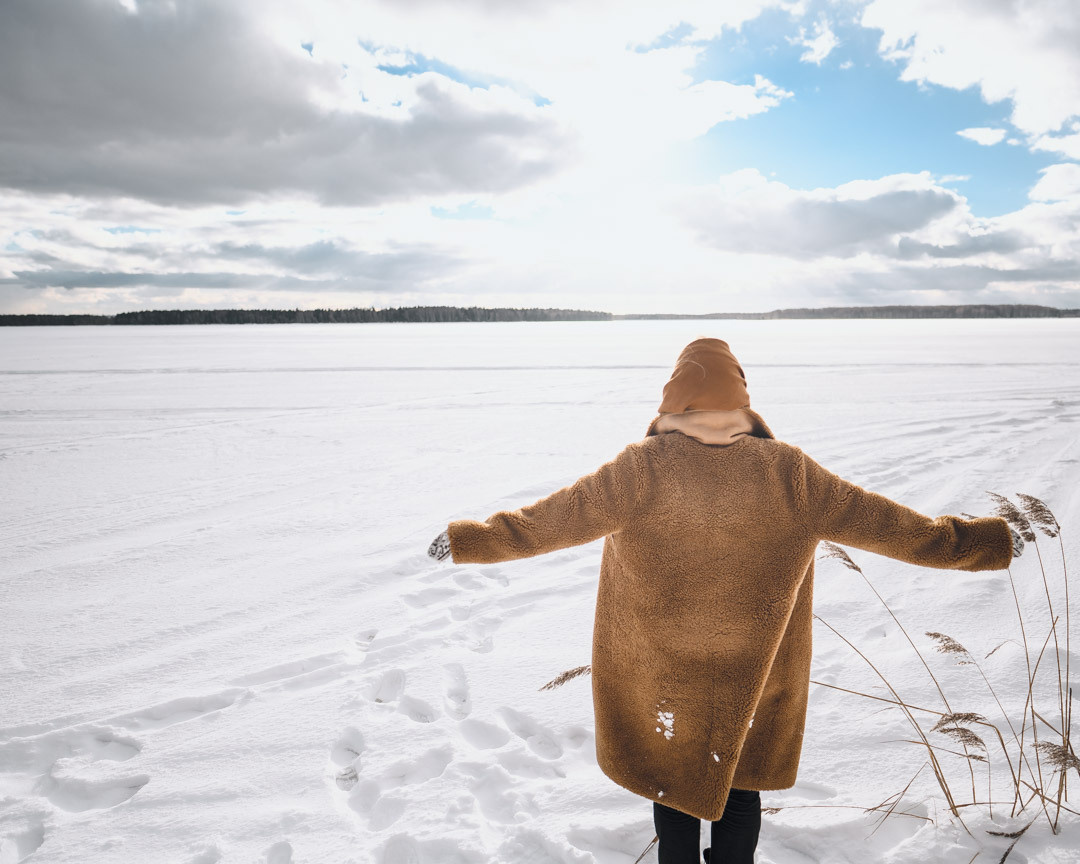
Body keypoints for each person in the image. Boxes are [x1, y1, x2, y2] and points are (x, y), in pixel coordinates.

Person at [427, 337, 1023, 864]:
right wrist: (980, 541)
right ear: (742, 400)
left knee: (673, 782)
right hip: (757, 670)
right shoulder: (791, 473)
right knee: (741, 784)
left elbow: (551, 521)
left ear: (673, 401)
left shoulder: (642, 468)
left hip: (662, 670)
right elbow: (894, 526)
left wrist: (471, 539)